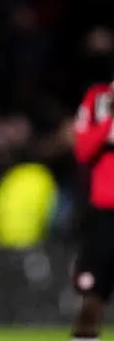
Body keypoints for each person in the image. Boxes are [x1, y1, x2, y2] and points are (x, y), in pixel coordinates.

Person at [71, 77, 114, 341]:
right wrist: (109, 116)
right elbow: (83, 151)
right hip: (104, 213)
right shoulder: (98, 98)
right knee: (93, 296)